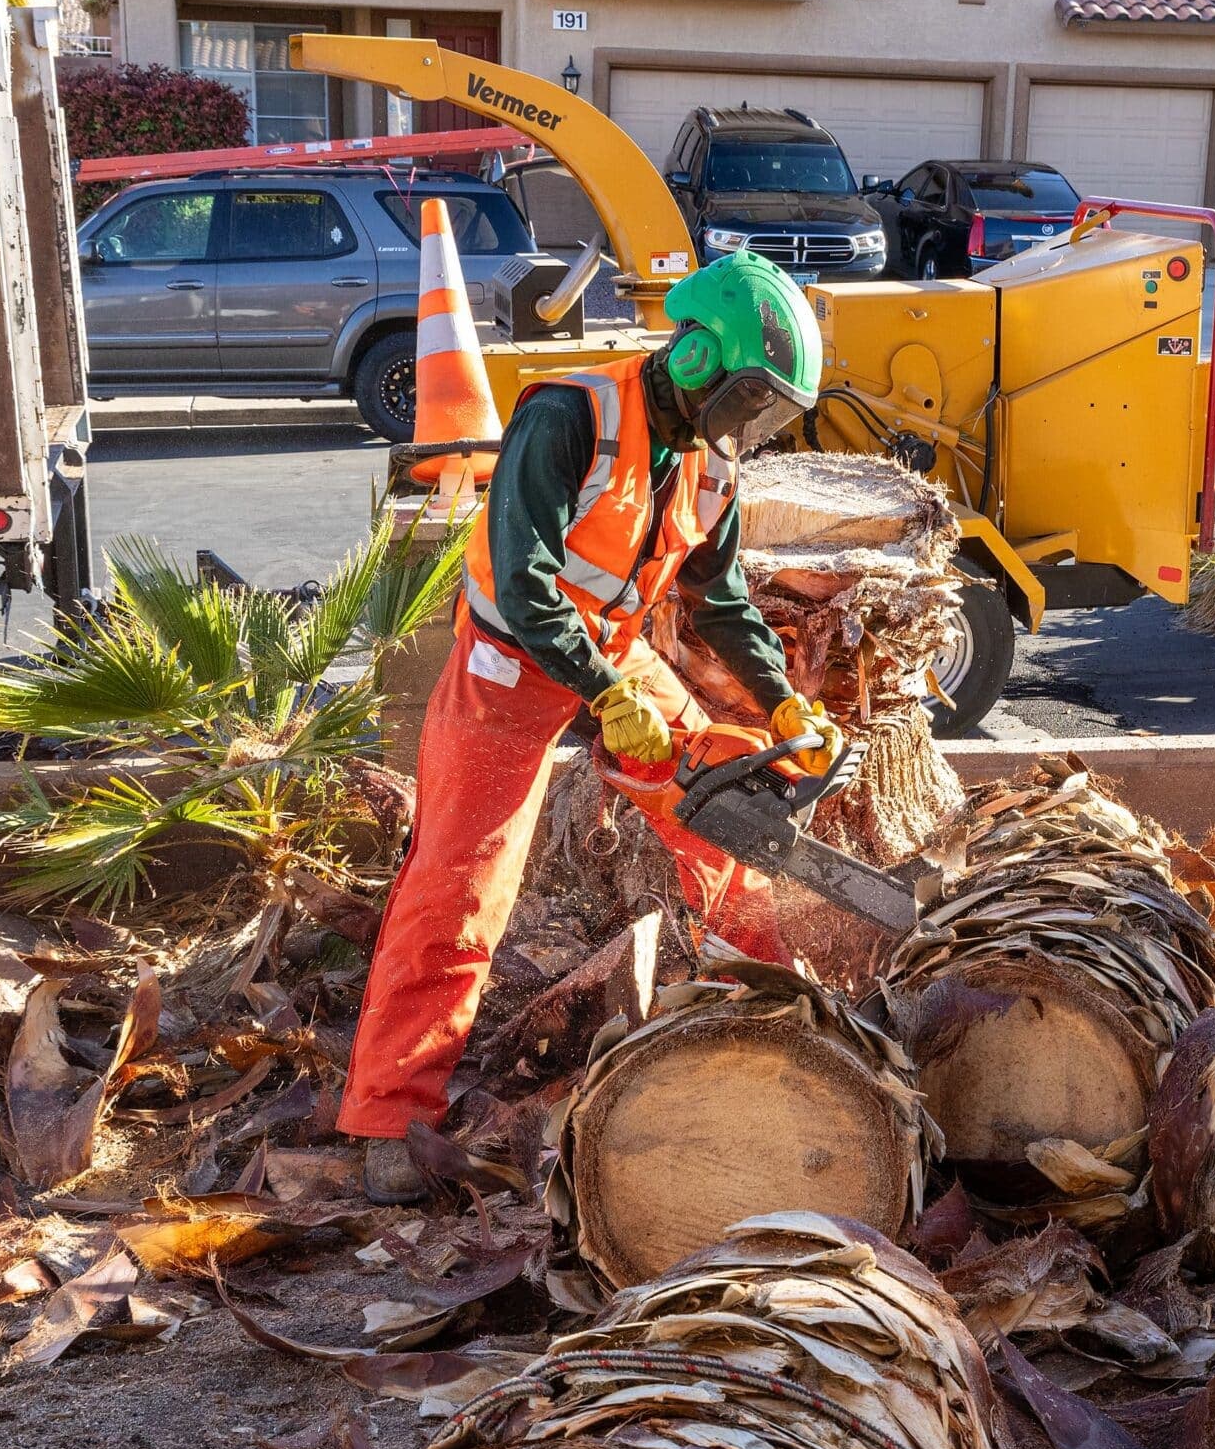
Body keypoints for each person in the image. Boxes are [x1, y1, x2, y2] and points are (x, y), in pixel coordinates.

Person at [338, 250, 843, 1201]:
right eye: (748, 399)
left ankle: (781, 1019)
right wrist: (608, 693)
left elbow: (722, 602)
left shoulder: (709, 464)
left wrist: (778, 698)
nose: (750, 426)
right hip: (511, 662)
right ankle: (390, 1115)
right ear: (696, 358)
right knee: (462, 886)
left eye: (766, 412)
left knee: (724, 813)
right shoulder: (568, 416)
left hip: (616, 655)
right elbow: (524, 583)